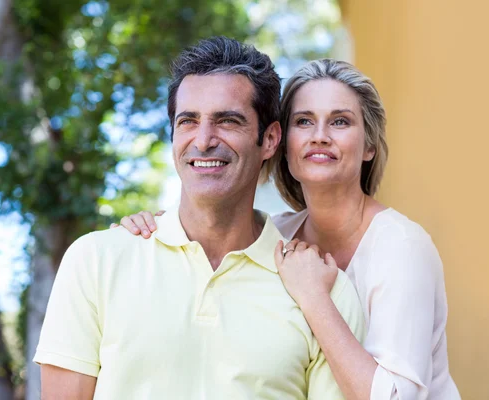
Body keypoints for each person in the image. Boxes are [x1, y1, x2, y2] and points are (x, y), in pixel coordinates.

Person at [34, 37, 365, 399]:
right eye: (188, 121)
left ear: (269, 139)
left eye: (228, 121)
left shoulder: (325, 292)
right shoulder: (96, 261)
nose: (204, 140)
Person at [116, 59, 460, 399]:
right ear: (280, 141)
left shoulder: (401, 247)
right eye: (304, 121)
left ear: (369, 145)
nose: (320, 137)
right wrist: (158, 227)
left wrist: (314, 297)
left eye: (340, 121)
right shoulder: (275, 235)